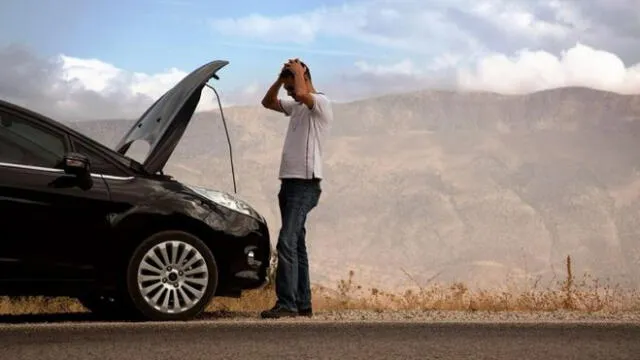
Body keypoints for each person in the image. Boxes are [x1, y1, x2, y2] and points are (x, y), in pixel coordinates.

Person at [259, 58, 333, 318]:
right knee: (297, 244)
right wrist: (281, 80)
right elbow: (267, 102)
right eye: (288, 89)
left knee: (286, 242)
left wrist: (298, 73)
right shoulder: (296, 107)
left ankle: (287, 304)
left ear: (305, 77)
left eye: (291, 87)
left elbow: (302, 92)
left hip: (305, 183)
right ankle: (303, 304)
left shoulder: (320, 103)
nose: (290, 93)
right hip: (290, 182)